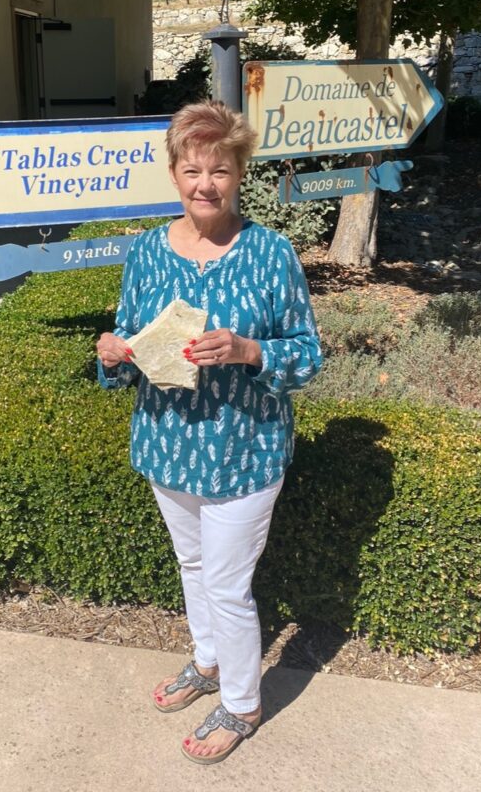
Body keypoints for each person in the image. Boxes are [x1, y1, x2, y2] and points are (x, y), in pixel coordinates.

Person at [96, 100, 322, 764]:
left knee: (226, 583)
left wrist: (251, 352)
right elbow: (130, 343)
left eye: (219, 170)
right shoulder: (145, 252)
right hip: (168, 445)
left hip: (242, 452)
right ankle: (208, 662)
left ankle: (243, 703)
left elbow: (306, 354)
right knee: (192, 566)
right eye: (192, 169)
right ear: (173, 173)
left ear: (238, 173)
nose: (205, 184)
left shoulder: (269, 252)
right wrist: (114, 354)